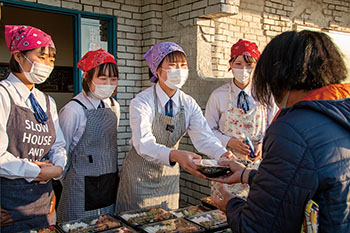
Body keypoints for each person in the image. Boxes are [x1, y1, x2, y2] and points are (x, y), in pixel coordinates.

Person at [210, 30, 350, 232]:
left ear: (279, 76)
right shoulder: (340, 109)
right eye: (238, 64)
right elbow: (301, 178)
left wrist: (230, 206)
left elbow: (258, 226)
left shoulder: (292, 129)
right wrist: (247, 174)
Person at [116, 42, 233, 213]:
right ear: (157, 70)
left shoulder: (188, 103)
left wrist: (222, 154)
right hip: (139, 177)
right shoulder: (142, 102)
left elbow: (204, 136)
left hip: (169, 178)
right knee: (137, 223)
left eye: (183, 65)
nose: (179, 70)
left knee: (169, 223)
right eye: (172, 65)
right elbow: (143, 143)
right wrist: (174, 154)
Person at [0, 25, 67, 232]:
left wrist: (58, 167)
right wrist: (35, 170)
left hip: (45, 203)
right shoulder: (3, 95)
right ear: (19, 57)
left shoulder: (46, 101)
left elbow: (59, 145)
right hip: (10, 204)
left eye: (51, 60)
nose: (48, 65)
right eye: (42, 57)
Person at [205, 39, 277, 199]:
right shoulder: (218, 95)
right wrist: (228, 141)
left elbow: (276, 125)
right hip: (227, 165)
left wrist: (263, 144)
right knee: (224, 212)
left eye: (249, 64)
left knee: (256, 209)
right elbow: (207, 130)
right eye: (238, 64)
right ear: (230, 64)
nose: (243, 69)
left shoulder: (266, 94)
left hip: (258, 166)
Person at [57, 49, 120, 222]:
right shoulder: (73, 110)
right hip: (80, 186)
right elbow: (61, 152)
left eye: (113, 79)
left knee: (106, 225)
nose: (108, 83)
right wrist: (69, 183)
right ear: (87, 77)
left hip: (109, 180)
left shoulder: (114, 106)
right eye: (102, 78)